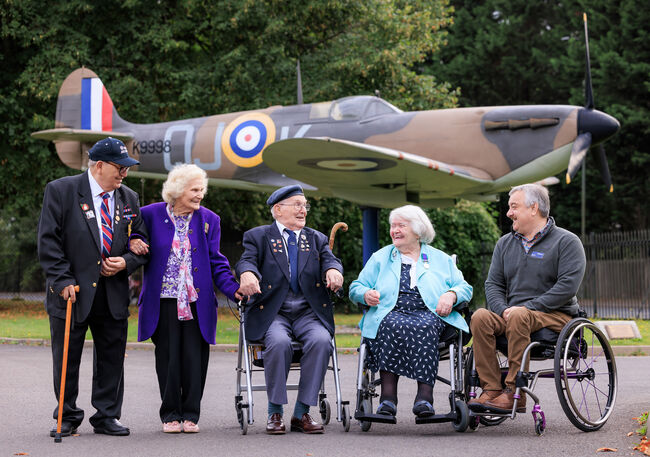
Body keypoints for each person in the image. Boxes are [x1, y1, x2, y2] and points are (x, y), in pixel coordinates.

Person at [38, 137, 148, 437]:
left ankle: (107, 415)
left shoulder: (129, 198)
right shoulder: (61, 191)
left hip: (112, 293)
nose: (124, 174)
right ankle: (67, 415)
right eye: (120, 168)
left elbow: (141, 243)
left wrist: (126, 262)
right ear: (99, 165)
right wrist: (62, 280)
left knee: (112, 358)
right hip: (72, 292)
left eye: (126, 169)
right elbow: (49, 243)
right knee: (66, 359)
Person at [131, 164, 243, 434]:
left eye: (202, 190)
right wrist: (134, 239)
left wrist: (233, 289)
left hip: (197, 301)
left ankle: (191, 414)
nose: (200, 195)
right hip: (164, 300)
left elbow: (216, 260)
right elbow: (134, 237)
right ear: (178, 190)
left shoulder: (209, 219)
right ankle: (170, 414)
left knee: (195, 358)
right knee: (168, 359)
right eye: (194, 190)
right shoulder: (149, 214)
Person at [468, 184, 586, 414]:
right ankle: (491, 389)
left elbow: (567, 287)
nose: (508, 213)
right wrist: (502, 309)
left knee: (520, 314)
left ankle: (515, 393)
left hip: (556, 316)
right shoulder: (504, 244)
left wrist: (526, 308)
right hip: (514, 316)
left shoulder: (567, 242)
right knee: (480, 316)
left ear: (533, 208)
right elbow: (493, 284)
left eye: (514, 207)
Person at [236, 185, 344, 435]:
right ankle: (275, 412)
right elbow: (246, 260)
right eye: (296, 204)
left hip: (308, 312)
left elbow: (330, 259)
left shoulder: (315, 238)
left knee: (321, 341)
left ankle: (301, 413)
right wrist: (247, 273)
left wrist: (333, 270)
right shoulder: (259, 236)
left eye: (305, 205)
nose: (302, 209)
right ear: (277, 209)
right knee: (279, 343)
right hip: (274, 311)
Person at [349, 205, 472, 418]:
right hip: (390, 311)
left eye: (401, 226)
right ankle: (387, 399)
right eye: (392, 226)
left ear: (417, 230)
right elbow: (355, 287)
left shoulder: (440, 258)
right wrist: (365, 294)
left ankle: (425, 398)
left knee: (424, 325)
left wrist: (451, 294)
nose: (394, 230)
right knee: (388, 323)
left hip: (430, 313)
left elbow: (465, 288)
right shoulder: (381, 257)